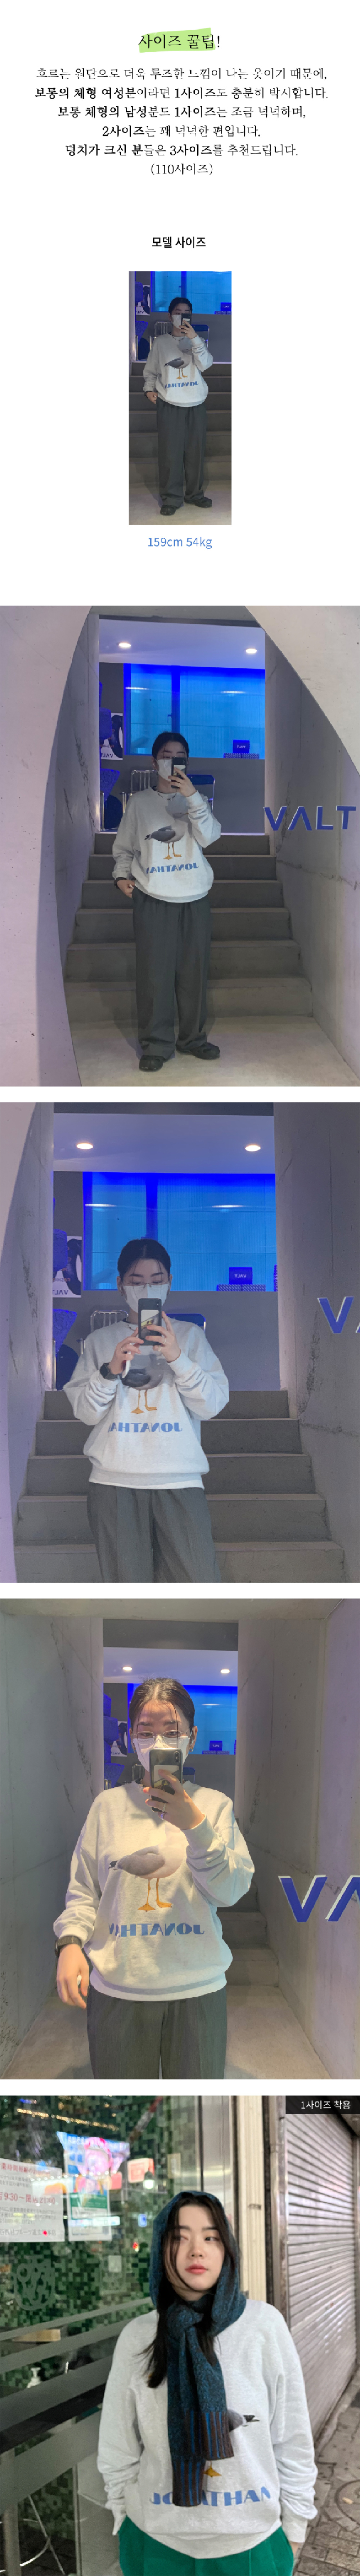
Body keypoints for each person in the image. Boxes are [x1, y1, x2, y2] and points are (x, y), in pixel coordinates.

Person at [98, 2188, 317, 2572]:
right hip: (156, 2540)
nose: (196, 2251)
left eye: (211, 2237)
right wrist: (122, 2511)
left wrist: (295, 2526)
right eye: (179, 2238)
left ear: (227, 2249)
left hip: (252, 2543)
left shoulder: (264, 2326)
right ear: (161, 2251)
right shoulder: (139, 2336)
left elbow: (291, 2435)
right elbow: (119, 2443)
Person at [54, 1679, 254, 2078]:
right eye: (146, 1732)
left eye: (172, 1731)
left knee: (195, 2104)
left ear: (192, 1737)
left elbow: (230, 1891)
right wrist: (71, 1941)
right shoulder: (107, 1807)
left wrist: (196, 1826)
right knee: (125, 2105)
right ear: (131, 1737)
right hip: (118, 1988)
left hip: (198, 1988)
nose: (158, 1741)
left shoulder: (215, 1806)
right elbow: (84, 1889)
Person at [66, 1236, 228, 1581]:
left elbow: (212, 1405)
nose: (147, 1289)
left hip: (180, 1479)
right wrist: (110, 1371)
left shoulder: (190, 1338)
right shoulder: (99, 1342)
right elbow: (87, 1413)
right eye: (136, 1281)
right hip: (114, 1482)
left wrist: (178, 1358)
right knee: (128, 1592)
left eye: (156, 1280)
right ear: (120, 1285)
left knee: (199, 1586)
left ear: (169, 1282)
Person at [112, 730, 221, 1070]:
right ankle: (156, 1045)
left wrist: (193, 798)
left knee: (194, 974)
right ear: (154, 761)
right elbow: (125, 847)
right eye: (166, 755)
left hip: (195, 897)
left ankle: (193, 1039)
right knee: (154, 975)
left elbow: (210, 837)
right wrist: (121, 875)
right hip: (153, 897)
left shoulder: (197, 800)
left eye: (180, 756)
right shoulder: (140, 803)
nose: (173, 761)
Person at [143, 296, 213, 516]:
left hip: (196, 403)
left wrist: (195, 339)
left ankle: (195, 494)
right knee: (170, 454)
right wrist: (149, 389)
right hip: (169, 403)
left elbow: (206, 364)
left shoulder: (197, 341)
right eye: (178, 312)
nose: (182, 316)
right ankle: (171, 498)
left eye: (186, 313)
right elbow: (151, 371)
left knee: (196, 453)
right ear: (170, 316)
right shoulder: (161, 343)